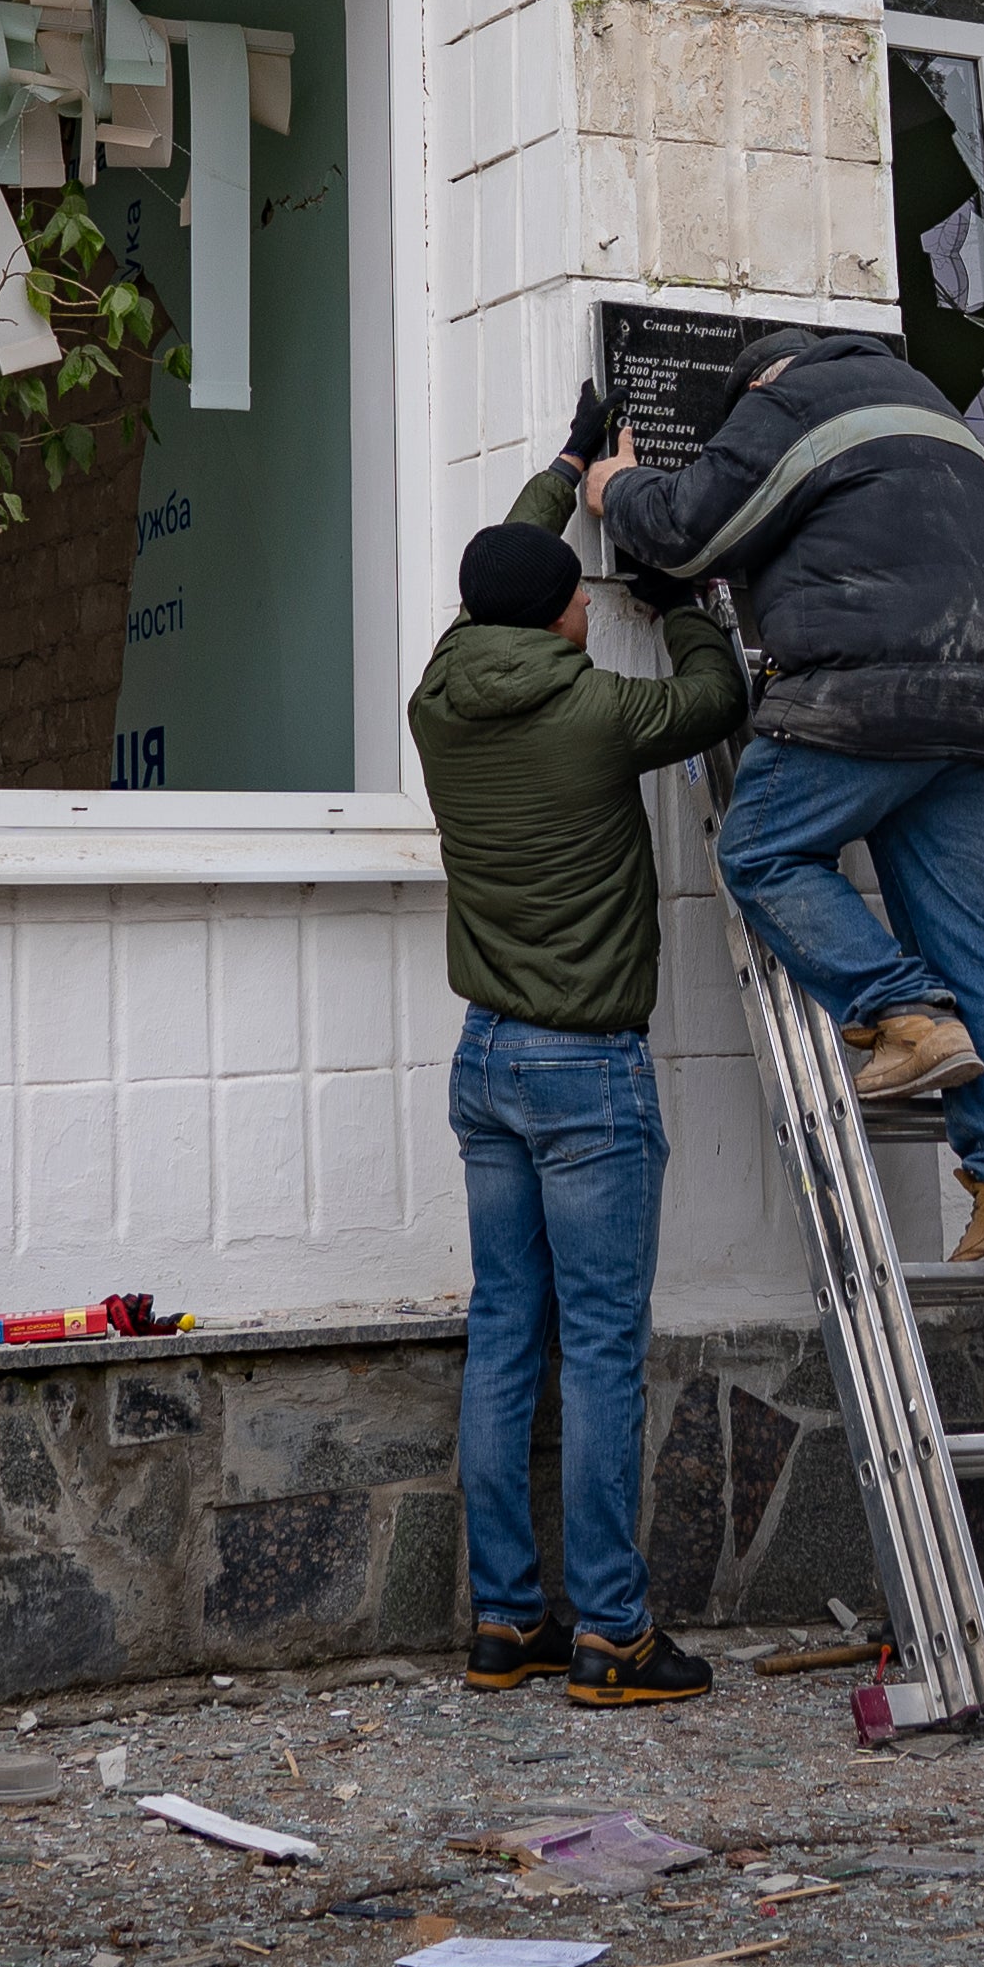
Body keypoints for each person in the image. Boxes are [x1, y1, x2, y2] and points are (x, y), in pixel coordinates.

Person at [591, 320, 984, 1264]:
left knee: (761, 849)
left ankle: (904, 1013)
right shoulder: (959, 432)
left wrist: (616, 490)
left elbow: (690, 527)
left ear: (763, 377)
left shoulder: (790, 399)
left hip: (870, 692)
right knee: (979, 945)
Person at [410, 439, 746, 1711]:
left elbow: (498, 572)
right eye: (578, 599)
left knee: (505, 1334)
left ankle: (507, 1621)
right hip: (585, 1072)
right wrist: (689, 611)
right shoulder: (599, 711)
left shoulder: (440, 691)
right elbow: (714, 703)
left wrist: (560, 468)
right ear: (563, 611)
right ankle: (612, 1632)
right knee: (601, 1352)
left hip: (484, 1056)